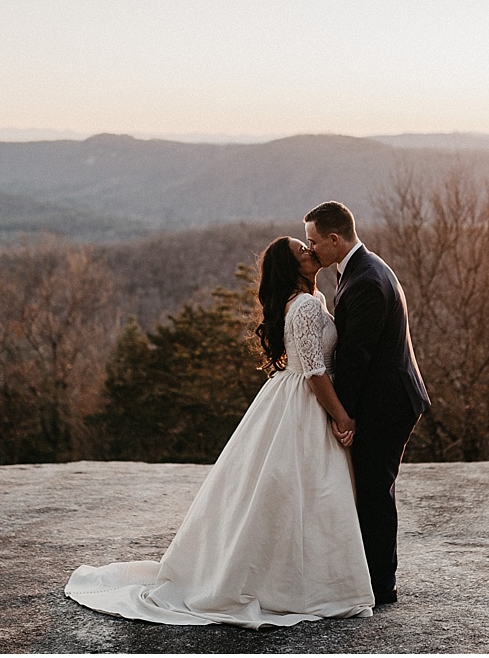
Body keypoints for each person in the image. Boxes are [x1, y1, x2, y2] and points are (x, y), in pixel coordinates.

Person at [63, 236, 374, 629]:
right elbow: (313, 372)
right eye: (302, 251)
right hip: (303, 403)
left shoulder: (308, 302)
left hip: (287, 396)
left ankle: (295, 580)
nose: (310, 252)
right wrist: (342, 418)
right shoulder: (308, 306)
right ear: (290, 267)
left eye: (309, 247)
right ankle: (302, 587)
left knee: (293, 495)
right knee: (305, 492)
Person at [302, 200, 429, 605]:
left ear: (335, 239)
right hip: (385, 398)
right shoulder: (361, 269)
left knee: (375, 491)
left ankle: (380, 587)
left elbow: (357, 359)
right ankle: (372, 579)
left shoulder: (366, 282)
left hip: (387, 404)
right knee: (372, 489)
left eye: (314, 242)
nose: (311, 250)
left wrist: (345, 416)